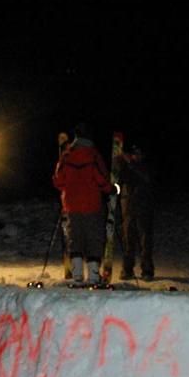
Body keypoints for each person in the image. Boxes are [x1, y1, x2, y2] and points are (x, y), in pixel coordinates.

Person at [52, 122, 117, 284]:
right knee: (93, 238)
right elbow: (102, 179)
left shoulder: (66, 155)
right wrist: (112, 189)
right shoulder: (93, 155)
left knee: (75, 238)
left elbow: (59, 182)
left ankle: (77, 275)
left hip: (71, 205)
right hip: (92, 204)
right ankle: (94, 276)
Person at [117, 140, 155, 281]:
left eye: (138, 154)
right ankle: (127, 269)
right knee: (128, 239)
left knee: (145, 239)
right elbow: (118, 181)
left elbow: (147, 178)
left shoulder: (145, 167)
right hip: (128, 207)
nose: (135, 156)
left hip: (144, 207)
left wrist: (131, 164)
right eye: (133, 154)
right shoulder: (126, 167)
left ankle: (147, 270)